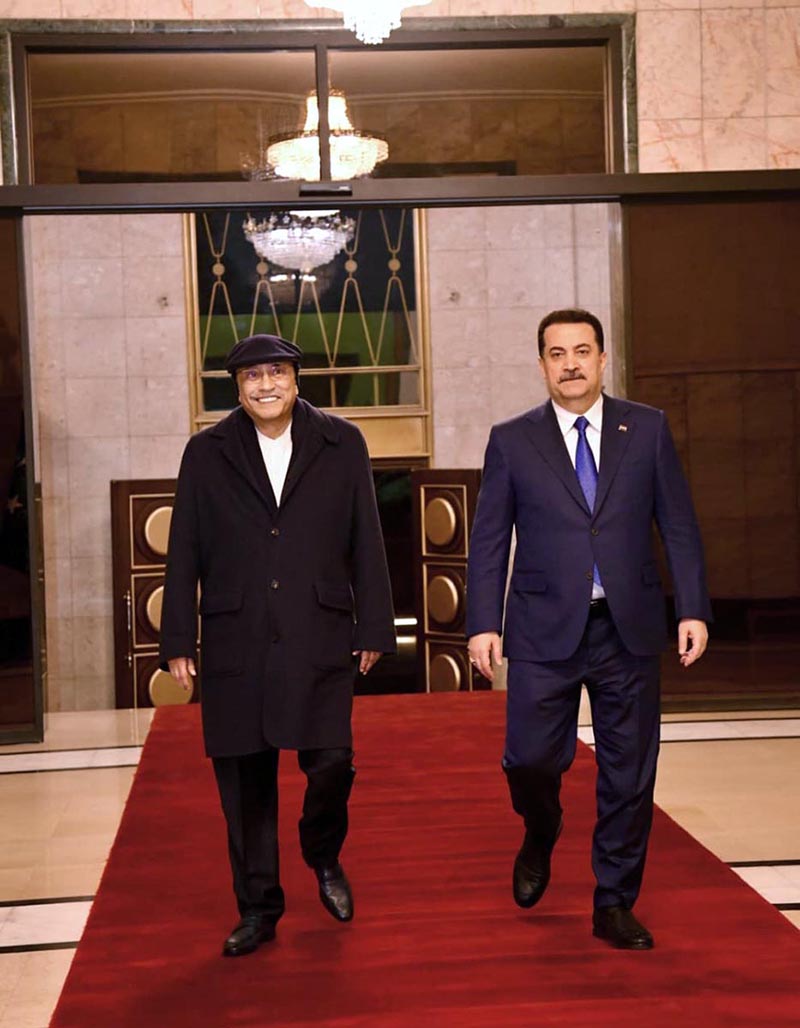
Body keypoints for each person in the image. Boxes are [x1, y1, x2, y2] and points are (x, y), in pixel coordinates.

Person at [466, 308, 711, 951]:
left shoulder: (647, 429)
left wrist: (692, 608)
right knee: (529, 760)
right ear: (542, 365)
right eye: (557, 353)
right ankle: (541, 827)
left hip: (627, 628)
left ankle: (614, 901)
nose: (570, 364)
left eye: (582, 351)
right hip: (540, 629)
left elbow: (678, 524)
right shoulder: (512, 440)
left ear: (604, 359)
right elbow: (489, 539)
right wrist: (483, 622)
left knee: (629, 772)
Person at [159, 333, 396, 957]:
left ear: (295, 378)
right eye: (252, 376)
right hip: (235, 636)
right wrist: (179, 637)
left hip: (319, 629)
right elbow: (184, 547)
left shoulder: (342, 442)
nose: (265, 385)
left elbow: (366, 537)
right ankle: (259, 908)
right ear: (237, 388)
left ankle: (322, 851)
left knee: (331, 761)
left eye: (276, 372)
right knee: (245, 782)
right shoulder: (206, 452)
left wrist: (374, 625)